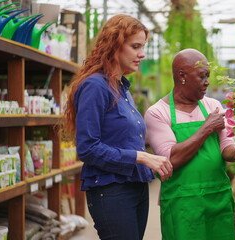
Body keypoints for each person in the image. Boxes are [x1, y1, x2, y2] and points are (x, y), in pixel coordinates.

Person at [62, 14, 173, 240]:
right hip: (111, 190)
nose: (142, 54)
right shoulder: (95, 86)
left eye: (143, 47)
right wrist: (141, 157)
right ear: (114, 45)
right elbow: (87, 148)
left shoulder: (121, 87)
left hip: (135, 186)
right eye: (135, 47)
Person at [144, 48, 235, 240]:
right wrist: (206, 129)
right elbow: (171, 159)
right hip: (182, 203)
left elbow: (226, 148)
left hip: (217, 197)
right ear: (182, 76)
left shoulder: (213, 106)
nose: (207, 82)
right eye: (202, 76)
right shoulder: (157, 113)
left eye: (208, 76)